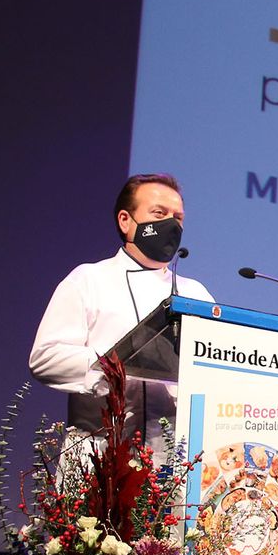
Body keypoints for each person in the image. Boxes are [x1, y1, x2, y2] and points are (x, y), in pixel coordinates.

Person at [30, 173, 216, 443]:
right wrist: (111, 368)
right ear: (126, 221)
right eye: (159, 213)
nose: (171, 225)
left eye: (178, 217)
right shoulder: (89, 279)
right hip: (100, 452)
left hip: (172, 461)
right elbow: (45, 357)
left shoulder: (195, 293)